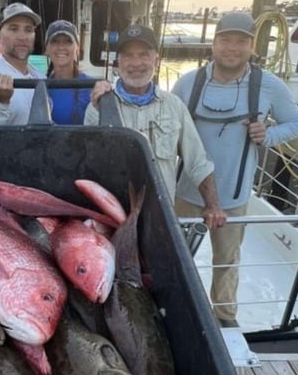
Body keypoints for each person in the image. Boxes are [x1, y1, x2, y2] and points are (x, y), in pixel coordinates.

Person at [172, 12, 298, 327]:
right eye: (225, 40)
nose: (232, 48)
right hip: (186, 192)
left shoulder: (268, 85)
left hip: (233, 197)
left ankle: (224, 319)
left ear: (252, 45)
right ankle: (175, 313)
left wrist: (268, 135)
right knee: (176, 260)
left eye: (241, 41)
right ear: (214, 43)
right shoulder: (188, 82)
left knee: (227, 261)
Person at [85, 25, 223, 225]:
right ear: (118, 63)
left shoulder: (173, 105)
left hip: (161, 215)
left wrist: (213, 205)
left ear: (156, 61)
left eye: (143, 55)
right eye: (128, 56)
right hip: (113, 215)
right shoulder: (98, 106)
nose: (136, 63)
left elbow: (198, 162)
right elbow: (90, 165)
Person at [0, 2, 44, 125]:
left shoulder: (40, 76)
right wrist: (0, 102)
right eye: (13, 29)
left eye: (28, 30)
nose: (22, 37)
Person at [44, 19, 90, 125]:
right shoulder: (40, 88)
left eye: (68, 41)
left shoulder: (92, 86)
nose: (61, 47)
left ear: (77, 49)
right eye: (55, 41)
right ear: (46, 49)